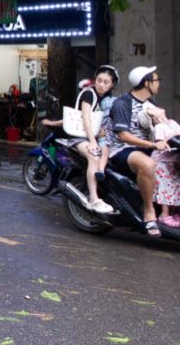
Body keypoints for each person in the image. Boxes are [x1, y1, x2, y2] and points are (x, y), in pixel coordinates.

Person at [107, 66, 168, 237]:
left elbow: (158, 127)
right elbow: (124, 136)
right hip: (122, 149)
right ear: (147, 83)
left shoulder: (151, 103)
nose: (159, 84)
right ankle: (149, 213)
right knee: (147, 165)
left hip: (145, 146)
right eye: (157, 81)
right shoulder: (122, 103)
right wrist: (152, 145)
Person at [68, 65, 119, 214]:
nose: (101, 84)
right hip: (80, 136)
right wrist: (92, 141)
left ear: (112, 84)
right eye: (99, 80)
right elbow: (86, 118)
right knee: (94, 156)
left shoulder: (108, 99)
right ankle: (94, 199)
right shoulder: (88, 93)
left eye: (106, 82)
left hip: (93, 136)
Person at [137, 104, 180, 228]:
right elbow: (160, 142)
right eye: (152, 110)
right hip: (163, 162)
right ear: (153, 118)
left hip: (174, 160)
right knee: (166, 188)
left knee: (176, 186)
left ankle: (174, 212)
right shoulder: (159, 127)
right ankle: (164, 214)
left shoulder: (171, 123)